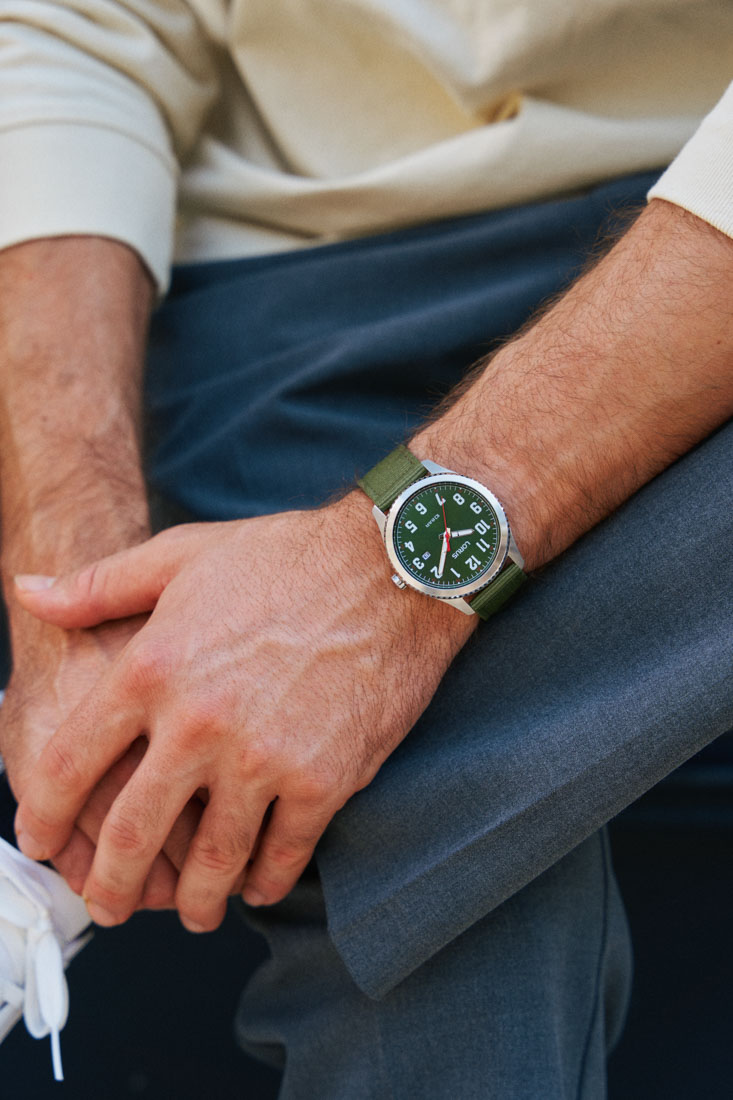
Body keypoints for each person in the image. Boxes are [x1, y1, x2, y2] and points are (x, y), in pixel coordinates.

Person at [0, 2, 732, 1095]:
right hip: (298, 268)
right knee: (298, 773)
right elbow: (66, 31)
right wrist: (75, 588)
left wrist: (381, 588)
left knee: (336, 796)